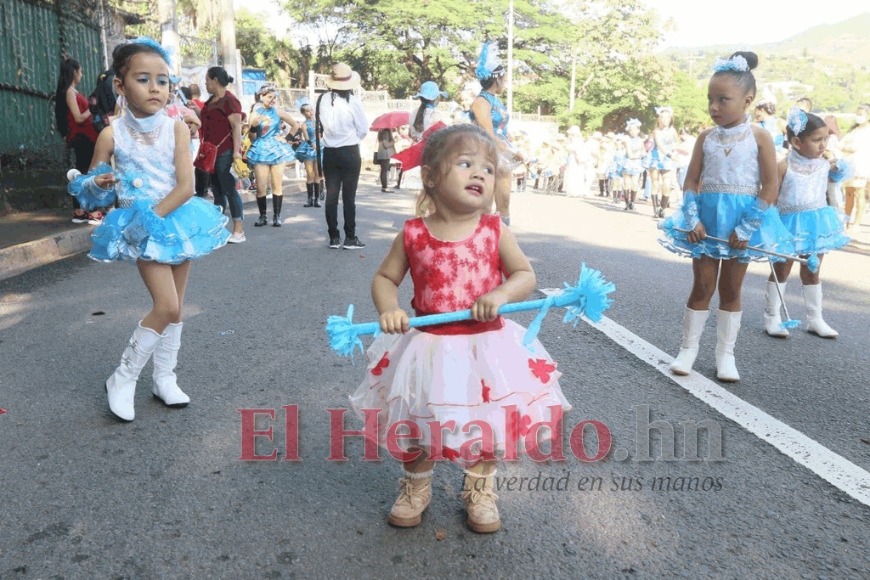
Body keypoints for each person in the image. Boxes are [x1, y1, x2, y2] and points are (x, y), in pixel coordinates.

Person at [348, 124, 571, 533]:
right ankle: (416, 485)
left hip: (485, 347)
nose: (480, 175)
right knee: (417, 418)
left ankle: (480, 488)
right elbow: (384, 278)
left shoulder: (493, 230)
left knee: (486, 420)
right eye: (465, 164)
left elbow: (524, 274)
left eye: (488, 169)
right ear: (431, 176)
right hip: (427, 346)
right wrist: (389, 309)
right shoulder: (413, 234)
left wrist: (502, 293)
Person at [71, 38, 229, 421]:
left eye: (163, 79)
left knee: (176, 310)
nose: (156, 87)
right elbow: (88, 191)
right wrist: (98, 184)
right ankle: (123, 377)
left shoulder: (175, 128)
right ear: (120, 86)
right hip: (140, 228)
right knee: (168, 305)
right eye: (144, 79)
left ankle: (164, 377)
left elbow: (187, 186)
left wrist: (153, 217)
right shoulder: (112, 135)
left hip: (176, 219)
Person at [659, 51, 793, 382]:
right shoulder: (706, 137)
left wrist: (748, 226)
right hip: (707, 222)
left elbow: (770, 186)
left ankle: (725, 355)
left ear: (748, 100)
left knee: (731, 289)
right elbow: (690, 180)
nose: (714, 106)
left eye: (723, 99)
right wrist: (692, 219)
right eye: (710, 99)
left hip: (742, 224)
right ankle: (687, 350)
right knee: (702, 285)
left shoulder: (759, 136)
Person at [763, 108, 851, 339]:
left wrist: (839, 166)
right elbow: (771, 195)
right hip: (787, 226)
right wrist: (769, 224)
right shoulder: (783, 166)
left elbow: (838, 174)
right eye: (817, 140)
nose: (823, 145)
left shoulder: (824, 164)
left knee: (812, 270)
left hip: (816, 224)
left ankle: (815, 318)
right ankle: (772, 317)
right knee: (781, 269)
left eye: (825, 139)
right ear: (797, 142)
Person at [315, 63, 368, 250]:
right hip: (350, 151)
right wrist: (351, 137)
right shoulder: (353, 101)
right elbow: (363, 129)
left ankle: (333, 237)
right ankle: (350, 237)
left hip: (329, 152)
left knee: (331, 196)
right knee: (349, 197)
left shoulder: (322, 99)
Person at [471, 42, 523, 226]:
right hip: (485, 154)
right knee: (485, 202)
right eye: (505, 79)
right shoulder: (481, 102)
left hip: (502, 157)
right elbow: (487, 133)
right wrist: (511, 152)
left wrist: (510, 145)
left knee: (504, 202)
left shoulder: (496, 101)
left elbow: (501, 130)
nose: (505, 83)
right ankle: (480, 241)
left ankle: (501, 242)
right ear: (498, 79)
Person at [201, 66, 245, 243]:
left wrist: (236, 152)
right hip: (211, 152)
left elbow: (237, 127)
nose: (205, 83)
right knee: (217, 191)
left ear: (215, 80)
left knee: (229, 190)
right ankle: (219, 229)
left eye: (207, 80)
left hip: (226, 151)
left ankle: (239, 230)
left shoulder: (230, 101)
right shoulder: (211, 101)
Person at [55, 56, 101, 224]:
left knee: (82, 173)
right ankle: (91, 212)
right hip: (81, 137)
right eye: (80, 71)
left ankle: (80, 211)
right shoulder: (69, 92)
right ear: (75, 72)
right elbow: (78, 117)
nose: (82, 74)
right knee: (86, 174)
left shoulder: (73, 91)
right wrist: (92, 109)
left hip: (85, 137)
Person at [246, 85, 299, 227]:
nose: (273, 100)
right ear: (261, 97)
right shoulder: (254, 113)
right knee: (261, 186)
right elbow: (251, 137)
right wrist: (253, 126)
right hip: (260, 149)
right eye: (270, 97)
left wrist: (287, 139)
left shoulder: (278, 111)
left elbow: (295, 125)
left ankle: (277, 216)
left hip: (277, 149)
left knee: (277, 184)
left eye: (274, 97)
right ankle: (263, 216)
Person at [840, 104, 870, 234]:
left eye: (861, 114)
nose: (858, 117)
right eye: (857, 114)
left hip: (861, 167)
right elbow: (842, 144)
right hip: (849, 166)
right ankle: (846, 221)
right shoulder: (853, 130)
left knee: (859, 194)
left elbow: (861, 148)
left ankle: (857, 223)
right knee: (849, 195)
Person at [648, 106, 678, 218]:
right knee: (655, 183)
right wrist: (671, 155)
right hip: (656, 158)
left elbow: (678, 142)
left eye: (667, 118)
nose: (665, 120)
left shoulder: (673, 131)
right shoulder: (656, 131)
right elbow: (660, 146)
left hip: (667, 160)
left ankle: (663, 208)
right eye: (662, 118)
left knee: (667, 185)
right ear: (659, 119)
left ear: (670, 119)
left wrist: (674, 150)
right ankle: (655, 208)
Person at [294, 97, 322, 207]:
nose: (311, 112)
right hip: (308, 149)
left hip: (319, 148)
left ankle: (317, 198)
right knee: (310, 174)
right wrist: (312, 144)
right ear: (303, 113)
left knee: (318, 174)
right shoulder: (304, 124)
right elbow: (306, 137)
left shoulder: (317, 123)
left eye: (311, 110)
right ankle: (310, 198)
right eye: (307, 111)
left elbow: (321, 135)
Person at [621, 119, 644, 211]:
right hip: (628, 163)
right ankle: (626, 203)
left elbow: (643, 150)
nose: (633, 131)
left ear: (638, 130)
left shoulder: (640, 140)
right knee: (627, 183)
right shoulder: (627, 140)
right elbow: (629, 154)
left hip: (637, 164)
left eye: (635, 129)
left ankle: (632, 202)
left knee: (635, 184)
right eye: (631, 129)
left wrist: (641, 154)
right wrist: (638, 155)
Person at [376, 128, 396, 193]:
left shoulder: (380, 132)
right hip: (385, 153)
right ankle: (385, 187)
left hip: (382, 152)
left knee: (383, 170)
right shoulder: (386, 132)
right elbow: (386, 145)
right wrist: (393, 141)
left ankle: (384, 187)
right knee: (384, 170)